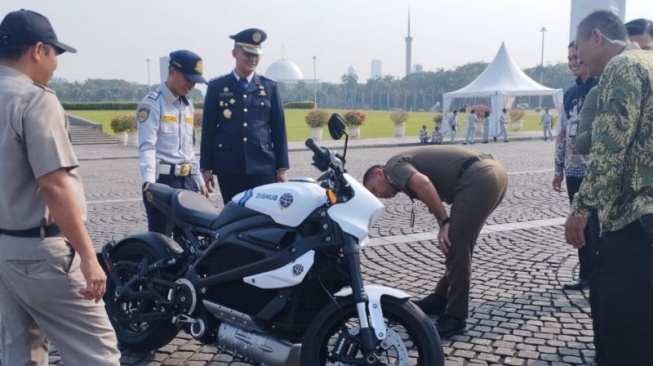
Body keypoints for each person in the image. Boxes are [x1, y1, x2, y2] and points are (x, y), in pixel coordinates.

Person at [0, 9, 120, 365]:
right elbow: (53, 184)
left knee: (19, 350)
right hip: (40, 251)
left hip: (4, 246)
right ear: (38, 50)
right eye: (55, 54)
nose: (55, 65)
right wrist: (87, 256)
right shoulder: (35, 99)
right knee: (97, 353)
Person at [565, 10, 653, 365]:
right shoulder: (647, 62)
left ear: (597, 37)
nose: (579, 59)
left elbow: (608, 149)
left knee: (623, 328)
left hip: (634, 219)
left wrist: (580, 209)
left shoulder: (621, 67)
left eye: (580, 49)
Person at [362, 146, 508, 337]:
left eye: (374, 189)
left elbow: (423, 184)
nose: (379, 195)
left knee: (456, 245)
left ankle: (456, 318)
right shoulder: (397, 170)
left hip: (479, 177)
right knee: (459, 245)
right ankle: (441, 298)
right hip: (491, 174)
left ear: (378, 172)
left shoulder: (392, 167)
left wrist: (444, 221)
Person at [200, 28, 289, 204]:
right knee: (234, 217)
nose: (252, 59)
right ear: (234, 53)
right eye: (247, 53)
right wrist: (206, 167)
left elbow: (279, 129)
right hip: (229, 167)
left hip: (263, 167)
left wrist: (282, 167)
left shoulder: (269, 87)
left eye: (256, 55)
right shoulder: (217, 87)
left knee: (263, 218)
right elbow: (208, 130)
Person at [137, 50, 208, 235]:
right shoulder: (153, 104)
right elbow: (147, 148)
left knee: (190, 240)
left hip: (188, 180)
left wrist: (199, 180)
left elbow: (188, 149)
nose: (192, 85)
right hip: (163, 183)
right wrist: (149, 183)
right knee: (163, 241)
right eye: (188, 79)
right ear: (172, 72)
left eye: (195, 81)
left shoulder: (188, 105)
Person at [554, 41, 599, 292]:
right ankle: (585, 274)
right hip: (573, 169)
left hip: (595, 168)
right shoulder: (569, 93)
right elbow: (562, 132)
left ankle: (601, 274)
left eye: (576, 56)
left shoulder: (601, 86)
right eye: (569, 57)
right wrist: (558, 168)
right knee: (580, 224)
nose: (572, 61)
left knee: (597, 224)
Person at [576, 18, 653, 155]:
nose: (636, 57)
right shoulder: (599, 91)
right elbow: (582, 144)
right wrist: (608, 124)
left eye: (645, 50)